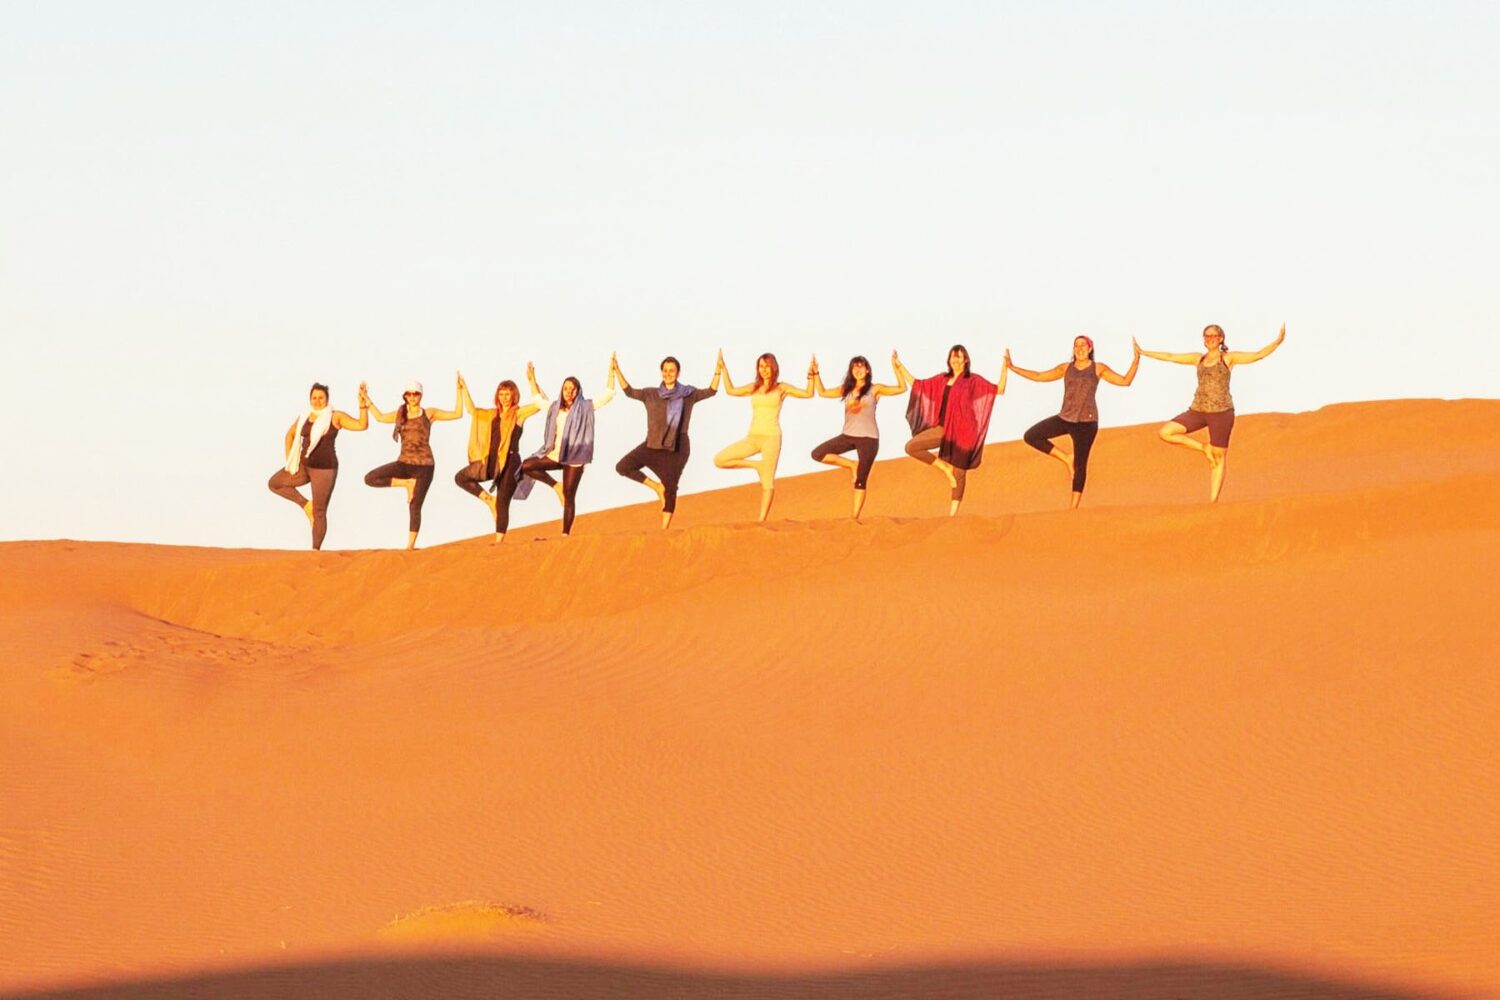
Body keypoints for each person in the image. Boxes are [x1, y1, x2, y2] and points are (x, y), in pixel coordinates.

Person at [1139, 323, 1287, 502]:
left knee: (1218, 458)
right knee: (1166, 432)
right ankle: (1204, 448)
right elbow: (1171, 357)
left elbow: (1257, 355)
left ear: (1221, 339)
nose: (1210, 339)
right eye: (1207, 336)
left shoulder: (1228, 358)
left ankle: (1213, 502)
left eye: (1213, 336)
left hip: (1221, 412)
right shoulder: (1198, 359)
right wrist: (1143, 352)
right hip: (1197, 410)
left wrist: (1277, 342)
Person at [1006, 336, 1141, 509]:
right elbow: (1040, 376)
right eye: (1076, 345)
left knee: (1081, 464)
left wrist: (1136, 360)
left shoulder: (1098, 368)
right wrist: (1012, 367)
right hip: (1065, 418)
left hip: (1087, 422)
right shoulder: (1066, 368)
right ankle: (1066, 458)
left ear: (1090, 349)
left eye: (1083, 345)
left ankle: (1073, 509)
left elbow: (1125, 381)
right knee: (1032, 435)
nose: (1079, 348)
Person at [613, 353, 722, 529]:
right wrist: (617, 369)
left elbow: (711, 391)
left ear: (678, 373)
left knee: (671, 488)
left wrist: (718, 371)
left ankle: (664, 530)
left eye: (672, 371)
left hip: (677, 448)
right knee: (623, 467)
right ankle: (657, 487)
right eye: (665, 370)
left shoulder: (688, 394)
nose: (668, 373)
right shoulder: (651, 394)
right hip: (652, 445)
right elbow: (629, 391)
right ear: (661, 372)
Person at [713, 351, 815, 522]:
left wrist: (811, 375)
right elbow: (731, 390)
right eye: (761, 366)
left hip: (772, 437)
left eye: (767, 366)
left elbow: (808, 394)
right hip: (752, 437)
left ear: (773, 367)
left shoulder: (781, 388)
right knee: (720, 460)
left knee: (768, 483)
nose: (764, 370)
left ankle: (761, 521)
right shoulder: (754, 387)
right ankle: (756, 466)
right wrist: (722, 368)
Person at [903, 345, 1006, 515]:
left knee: (960, 472)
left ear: (965, 360)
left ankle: (952, 515)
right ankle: (945, 468)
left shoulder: (972, 380)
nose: (956, 360)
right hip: (943, 428)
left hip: (965, 430)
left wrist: (1005, 367)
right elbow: (917, 384)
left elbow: (999, 390)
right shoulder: (942, 379)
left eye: (959, 357)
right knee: (912, 447)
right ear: (949, 360)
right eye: (953, 357)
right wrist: (899, 365)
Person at [267, 381, 369, 549]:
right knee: (275, 483)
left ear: (327, 399)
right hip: (303, 466)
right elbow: (290, 435)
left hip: (325, 470)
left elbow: (361, 425)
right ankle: (306, 505)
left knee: (319, 512)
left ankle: (315, 551)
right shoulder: (305, 416)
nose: (317, 401)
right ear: (310, 399)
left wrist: (363, 406)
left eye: (321, 397)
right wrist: (291, 461)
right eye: (314, 397)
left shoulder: (335, 416)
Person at [364, 376, 463, 549]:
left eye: (415, 394)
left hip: (425, 465)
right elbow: (379, 417)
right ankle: (406, 484)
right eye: (409, 394)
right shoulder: (399, 415)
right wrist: (366, 399)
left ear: (420, 395)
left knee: (415, 505)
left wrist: (460, 390)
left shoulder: (429, 413)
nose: (412, 397)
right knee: (370, 478)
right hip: (404, 463)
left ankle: (410, 545)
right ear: (405, 396)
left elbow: (457, 413)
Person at [518, 363, 616, 536]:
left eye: (572, 389)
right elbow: (537, 399)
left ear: (578, 391)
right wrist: (532, 379)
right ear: (562, 390)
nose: (569, 392)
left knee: (569, 496)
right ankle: (556, 486)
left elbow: (608, 395)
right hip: (555, 454)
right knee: (526, 466)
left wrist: (611, 371)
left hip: (575, 457)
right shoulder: (554, 407)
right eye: (566, 388)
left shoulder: (586, 407)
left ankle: (565, 534)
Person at [809, 352, 910, 519]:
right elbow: (823, 392)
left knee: (861, 480)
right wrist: (815, 373)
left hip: (869, 439)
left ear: (868, 370)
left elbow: (902, 388)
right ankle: (851, 465)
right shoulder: (846, 390)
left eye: (861, 366)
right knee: (817, 454)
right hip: (848, 435)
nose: (858, 369)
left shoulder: (874, 389)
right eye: (854, 366)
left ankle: (854, 517)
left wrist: (896, 366)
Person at [455, 366, 546, 543]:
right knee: (461, 478)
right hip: (491, 462)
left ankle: (499, 541)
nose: (504, 398)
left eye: (507, 394)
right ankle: (488, 499)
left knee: (503, 501)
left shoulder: (518, 413)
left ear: (514, 395)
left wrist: (532, 380)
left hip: (510, 461)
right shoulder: (491, 415)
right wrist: (463, 387)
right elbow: (472, 410)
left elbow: (540, 404)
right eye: (501, 394)